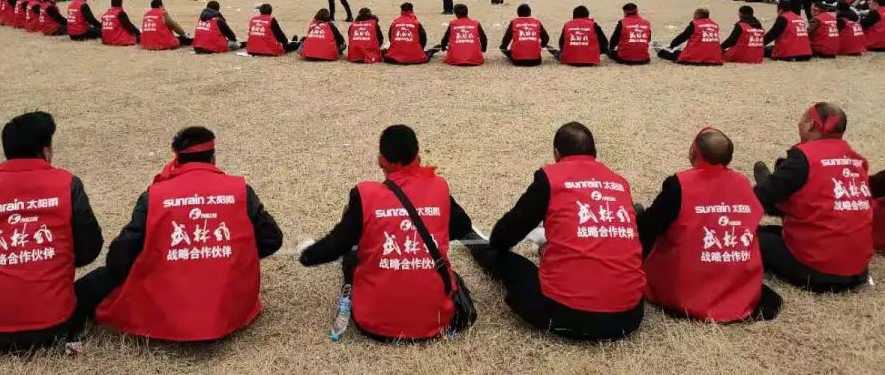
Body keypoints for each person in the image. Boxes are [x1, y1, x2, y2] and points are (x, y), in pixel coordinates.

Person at [74, 127, 282, 342]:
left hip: (166, 313)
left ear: (178, 159)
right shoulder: (239, 190)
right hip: (229, 311)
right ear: (212, 157)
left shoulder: (154, 195)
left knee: (88, 286)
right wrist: (232, 257)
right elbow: (272, 239)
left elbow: (119, 257)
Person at [0, 112, 104, 353]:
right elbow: (89, 250)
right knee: (102, 279)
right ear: (46, 150)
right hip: (57, 329)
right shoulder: (67, 184)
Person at [469, 122, 644, 341]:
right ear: (594, 153)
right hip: (629, 317)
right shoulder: (620, 183)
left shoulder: (551, 178)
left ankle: (472, 241)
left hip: (565, 315)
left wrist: (495, 245)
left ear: (556, 153)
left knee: (505, 260)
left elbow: (509, 232)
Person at [300, 125, 476, 341]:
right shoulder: (438, 187)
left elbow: (338, 243)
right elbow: (462, 227)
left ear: (381, 160)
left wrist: (308, 255)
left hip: (374, 323)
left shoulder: (365, 195)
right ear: (417, 157)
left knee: (352, 255)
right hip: (436, 320)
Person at [636, 127, 781, 322]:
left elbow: (648, 227)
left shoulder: (679, 185)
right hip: (735, 286)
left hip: (686, 288)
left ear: (694, 152)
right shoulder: (743, 183)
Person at [752, 103, 872, 292]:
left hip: (818, 269)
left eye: (802, 118)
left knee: (749, 240)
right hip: (858, 270)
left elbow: (760, 197)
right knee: (770, 232)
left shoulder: (804, 158)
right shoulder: (858, 160)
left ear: (809, 124)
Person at [658, 8, 723, 64]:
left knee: (671, 54)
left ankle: (660, 51)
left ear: (697, 15)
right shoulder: (715, 25)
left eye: (694, 14)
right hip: (714, 56)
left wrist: (672, 45)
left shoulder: (695, 24)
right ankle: (676, 49)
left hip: (696, 55)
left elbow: (682, 37)